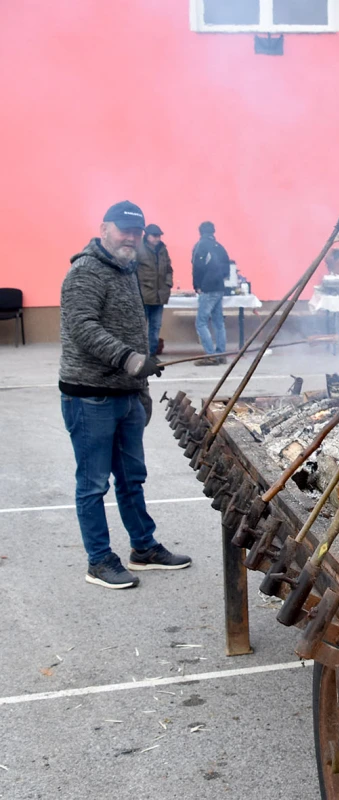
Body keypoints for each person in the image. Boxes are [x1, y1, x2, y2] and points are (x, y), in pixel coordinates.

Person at [59, 201, 192, 589]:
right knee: (93, 484)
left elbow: (133, 331)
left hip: (126, 394)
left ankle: (144, 548)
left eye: (136, 231)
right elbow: (82, 327)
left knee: (131, 478)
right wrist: (129, 359)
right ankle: (99, 560)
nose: (131, 237)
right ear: (104, 228)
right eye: (123, 230)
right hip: (90, 396)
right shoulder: (85, 271)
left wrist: (141, 385)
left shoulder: (128, 269)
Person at [191, 221, 230, 365]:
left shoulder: (201, 246)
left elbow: (197, 267)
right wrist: (220, 278)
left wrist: (197, 285)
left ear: (200, 232)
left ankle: (211, 355)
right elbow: (227, 266)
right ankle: (221, 354)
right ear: (213, 231)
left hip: (207, 288)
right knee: (218, 322)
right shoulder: (219, 247)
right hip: (220, 287)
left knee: (201, 323)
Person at [136, 223, 172, 356]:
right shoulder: (138, 249)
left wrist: (168, 284)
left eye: (159, 236)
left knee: (156, 326)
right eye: (155, 236)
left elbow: (169, 269)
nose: (158, 238)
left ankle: (151, 354)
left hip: (160, 295)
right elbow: (132, 270)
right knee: (140, 326)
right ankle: (140, 353)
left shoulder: (163, 250)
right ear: (147, 235)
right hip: (143, 295)